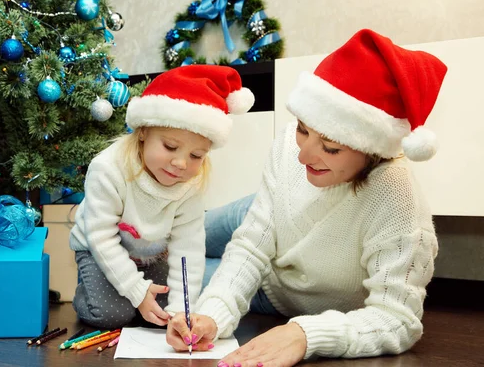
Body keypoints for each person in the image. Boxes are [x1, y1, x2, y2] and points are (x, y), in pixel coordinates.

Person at [166, 28, 448, 366]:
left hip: (278, 286)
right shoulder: (291, 147)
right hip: (268, 214)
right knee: (166, 233)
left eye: (330, 148)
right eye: (302, 129)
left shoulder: (398, 203)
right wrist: (214, 313)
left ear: (373, 152)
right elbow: (253, 245)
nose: (302, 156)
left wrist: (304, 333)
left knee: (166, 276)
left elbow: (398, 320)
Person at [69, 65, 255, 330]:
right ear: (143, 131)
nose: (181, 163)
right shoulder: (107, 168)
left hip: (152, 253)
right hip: (99, 248)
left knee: (165, 315)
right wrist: (136, 290)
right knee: (112, 316)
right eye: (170, 146)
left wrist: (181, 311)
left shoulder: (190, 182)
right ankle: (87, 291)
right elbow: (100, 237)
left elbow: (187, 249)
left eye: (196, 156)